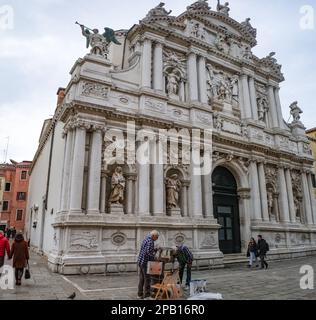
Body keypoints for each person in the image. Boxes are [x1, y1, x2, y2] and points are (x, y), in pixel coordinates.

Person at [137, 230, 159, 299]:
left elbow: (146, 249)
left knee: (141, 278)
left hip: (140, 261)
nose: (157, 238)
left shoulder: (146, 239)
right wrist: (155, 258)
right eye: (157, 237)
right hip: (145, 262)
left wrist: (154, 249)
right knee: (147, 279)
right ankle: (147, 295)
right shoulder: (151, 241)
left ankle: (139, 294)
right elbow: (148, 252)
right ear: (153, 236)